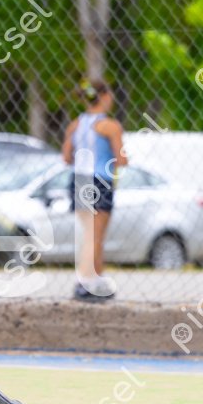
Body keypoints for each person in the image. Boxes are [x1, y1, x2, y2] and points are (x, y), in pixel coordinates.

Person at [61, 80, 128, 301]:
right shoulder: (109, 126)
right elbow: (122, 158)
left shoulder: (75, 125)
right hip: (100, 180)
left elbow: (66, 157)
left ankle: (95, 279)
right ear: (105, 96)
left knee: (90, 234)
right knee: (96, 236)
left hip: (78, 179)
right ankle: (85, 281)